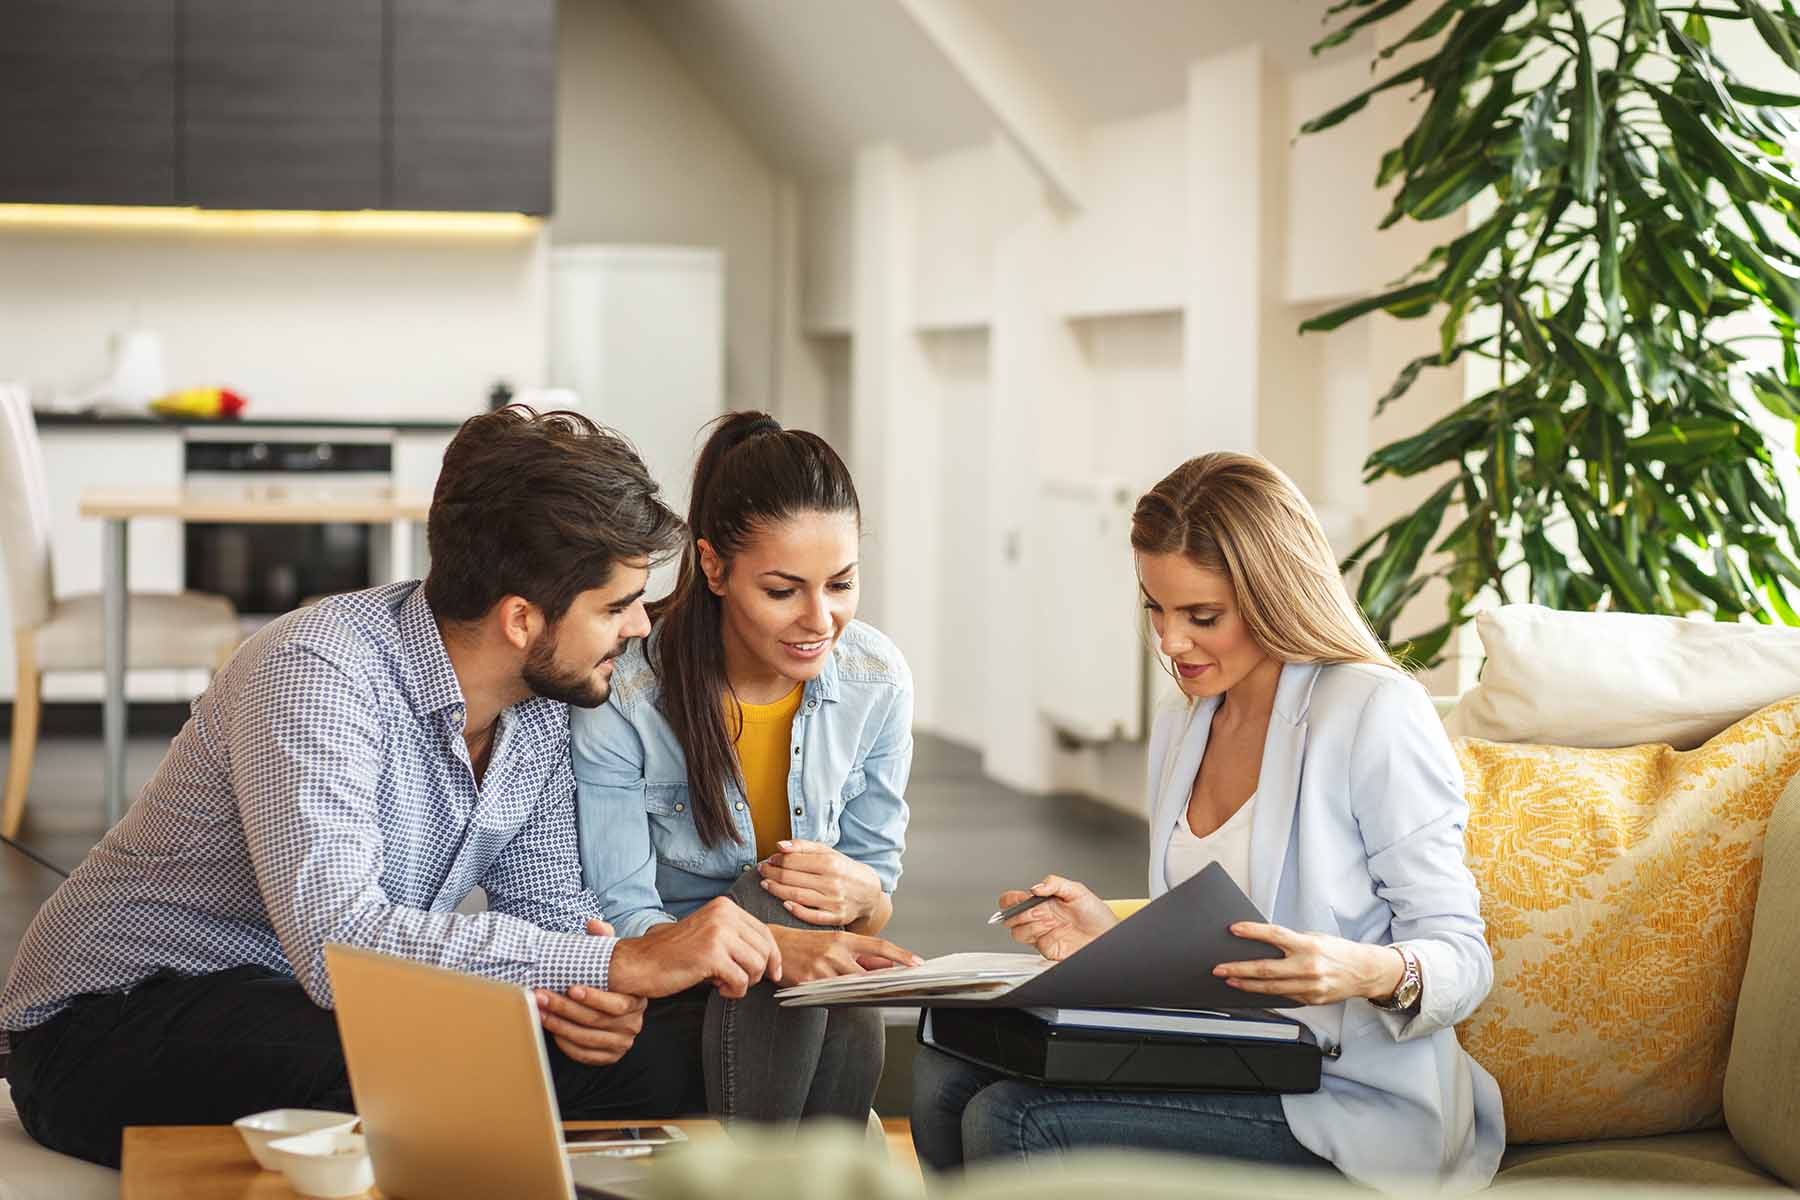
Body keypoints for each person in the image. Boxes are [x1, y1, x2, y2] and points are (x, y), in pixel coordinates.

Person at [0, 407, 786, 1168]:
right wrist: (618, 967)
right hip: (108, 1020)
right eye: (616, 606)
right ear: (521, 619)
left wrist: (589, 998)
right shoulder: (317, 671)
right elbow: (336, 942)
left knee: (655, 1063)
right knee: (421, 1066)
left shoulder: (544, 707)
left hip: (311, 1006)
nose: (641, 627)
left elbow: (547, 917)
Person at [911, 452, 1503, 1191]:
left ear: (1274, 595)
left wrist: (1364, 970)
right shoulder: (1186, 723)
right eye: (1155, 608)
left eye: (1202, 616)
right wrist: (1109, 935)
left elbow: (1463, 959)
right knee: (942, 1074)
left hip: (1348, 1100)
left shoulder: (1373, 713)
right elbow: (1219, 941)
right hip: (1227, 1061)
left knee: (1014, 1119)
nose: (1169, 642)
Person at [572, 411, 917, 1125]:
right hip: (677, 984)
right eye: (784, 591)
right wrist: (774, 945)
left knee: (826, 954)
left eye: (842, 585)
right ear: (714, 567)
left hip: (803, 990)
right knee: (769, 901)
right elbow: (623, 915)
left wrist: (859, 894)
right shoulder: (629, 695)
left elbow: (874, 899)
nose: (820, 619)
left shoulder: (876, 679)